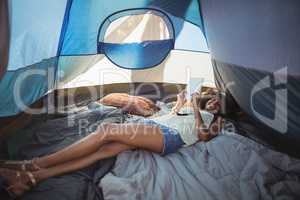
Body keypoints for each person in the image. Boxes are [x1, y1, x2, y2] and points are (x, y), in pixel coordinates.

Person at [0, 90, 224, 197]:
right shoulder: (191, 108)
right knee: (101, 152)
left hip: (170, 137)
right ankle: (36, 176)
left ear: (222, 108)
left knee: (107, 131)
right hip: (161, 127)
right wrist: (181, 102)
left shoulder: (215, 120)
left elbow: (204, 136)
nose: (214, 102)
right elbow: (173, 115)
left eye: (218, 102)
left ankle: (33, 164)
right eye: (213, 97)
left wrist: (196, 108)